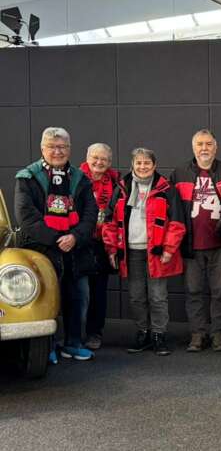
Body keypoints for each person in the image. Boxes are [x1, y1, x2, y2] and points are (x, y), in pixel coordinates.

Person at [15, 127, 98, 362]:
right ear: (43, 148)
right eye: (52, 146)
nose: (57, 151)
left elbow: (91, 213)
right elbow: (26, 216)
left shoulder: (81, 179)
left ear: (69, 149)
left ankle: (73, 343)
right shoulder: (27, 177)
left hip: (76, 250)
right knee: (45, 300)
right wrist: (54, 239)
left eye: (62, 147)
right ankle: (47, 347)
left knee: (79, 297)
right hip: (41, 250)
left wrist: (75, 237)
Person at [102, 148, 185, 356]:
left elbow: (176, 223)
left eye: (147, 163)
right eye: (138, 163)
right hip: (131, 253)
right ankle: (143, 332)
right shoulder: (121, 188)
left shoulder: (167, 189)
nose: (143, 167)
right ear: (132, 165)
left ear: (154, 165)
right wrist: (111, 248)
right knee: (136, 297)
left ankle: (159, 335)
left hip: (156, 253)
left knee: (157, 296)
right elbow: (110, 223)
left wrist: (168, 249)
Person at [171, 129, 221, 353]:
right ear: (194, 148)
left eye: (209, 144)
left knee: (220, 290)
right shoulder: (180, 173)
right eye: (200, 144)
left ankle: (218, 333)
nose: (204, 148)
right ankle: (197, 334)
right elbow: (173, 210)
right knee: (193, 291)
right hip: (192, 244)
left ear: (216, 147)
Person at [79, 143, 120, 350]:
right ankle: (73, 335)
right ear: (87, 158)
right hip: (79, 242)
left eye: (103, 159)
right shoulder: (75, 179)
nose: (98, 162)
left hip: (103, 243)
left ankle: (94, 333)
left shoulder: (116, 181)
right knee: (77, 290)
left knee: (98, 291)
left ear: (109, 162)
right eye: (95, 157)